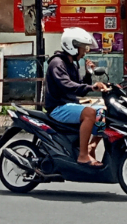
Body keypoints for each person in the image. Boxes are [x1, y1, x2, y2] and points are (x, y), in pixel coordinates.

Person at [44, 27, 106, 166]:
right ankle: (83, 155)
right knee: (89, 113)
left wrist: (89, 74)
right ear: (72, 46)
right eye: (83, 48)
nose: (85, 52)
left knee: (104, 112)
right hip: (57, 108)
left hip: (69, 105)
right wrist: (92, 87)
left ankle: (91, 147)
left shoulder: (72, 64)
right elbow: (67, 85)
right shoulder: (57, 63)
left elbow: (78, 86)